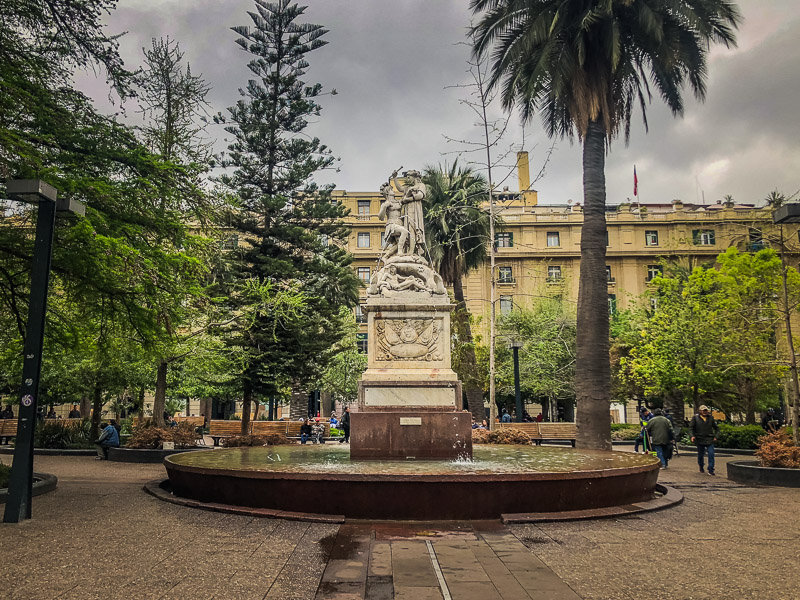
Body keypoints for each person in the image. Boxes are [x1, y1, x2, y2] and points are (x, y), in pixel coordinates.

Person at [690, 405, 719, 475]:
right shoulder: (695, 418)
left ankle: (711, 469)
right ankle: (701, 466)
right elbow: (691, 428)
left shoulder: (711, 418)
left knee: (711, 454)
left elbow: (717, 429)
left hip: (709, 439)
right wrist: (692, 436)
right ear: (700, 411)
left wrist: (716, 436)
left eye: (706, 410)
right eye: (703, 410)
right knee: (700, 454)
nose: (705, 412)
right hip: (700, 439)